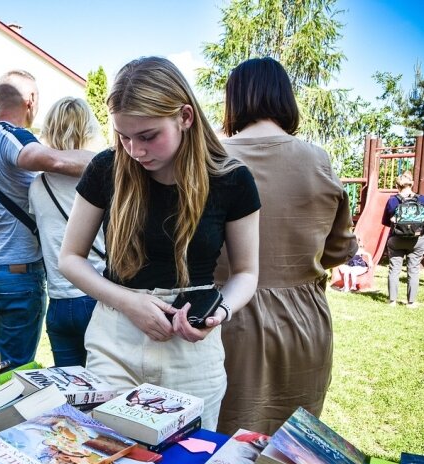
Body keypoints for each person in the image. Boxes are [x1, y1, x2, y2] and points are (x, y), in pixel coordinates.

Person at [59, 57, 260, 431]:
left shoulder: (232, 180)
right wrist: (128, 302)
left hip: (192, 351)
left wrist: (222, 312)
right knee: (107, 456)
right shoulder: (106, 168)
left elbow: (247, 273)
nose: (135, 150)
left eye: (148, 136)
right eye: (123, 135)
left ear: (185, 117)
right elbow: (70, 259)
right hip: (114, 338)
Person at [215, 57, 357, 436]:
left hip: (226, 314)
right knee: (291, 444)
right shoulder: (318, 160)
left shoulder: (210, 157)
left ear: (235, 100)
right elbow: (339, 249)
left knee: (224, 442)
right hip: (304, 323)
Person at [0, 69, 95, 367]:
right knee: (15, 371)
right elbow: (52, 159)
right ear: (31, 100)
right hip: (15, 274)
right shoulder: (10, 135)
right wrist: (114, 160)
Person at [28, 97, 107, 367]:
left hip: (59, 302)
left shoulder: (37, 185)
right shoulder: (102, 177)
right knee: (106, 389)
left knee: (71, 394)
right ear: (88, 130)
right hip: (97, 294)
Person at [382, 171, 424, 307]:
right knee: (413, 270)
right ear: (412, 184)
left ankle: (392, 301)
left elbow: (385, 222)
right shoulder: (422, 199)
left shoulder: (392, 200)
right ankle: (411, 302)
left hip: (396, 239)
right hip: (417, 240)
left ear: (397, 185)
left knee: (394, 269)